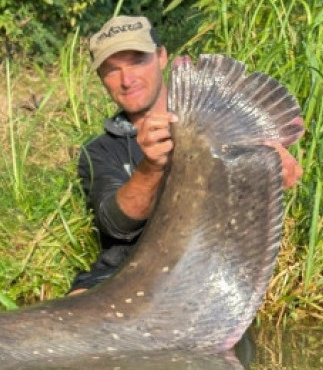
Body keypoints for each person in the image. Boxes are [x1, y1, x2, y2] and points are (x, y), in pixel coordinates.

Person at [69, 15, 304, 293]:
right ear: (101, 78)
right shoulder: (101, 149)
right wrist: (151, 167)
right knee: (73, 305)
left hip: (209, 274)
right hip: (122, 276)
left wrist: (270, 168)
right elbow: (114, 224)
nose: (127, 79)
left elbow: (287, 177)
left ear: (161, 56)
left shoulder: (219, 118)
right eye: (111, 69)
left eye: (137, 61)